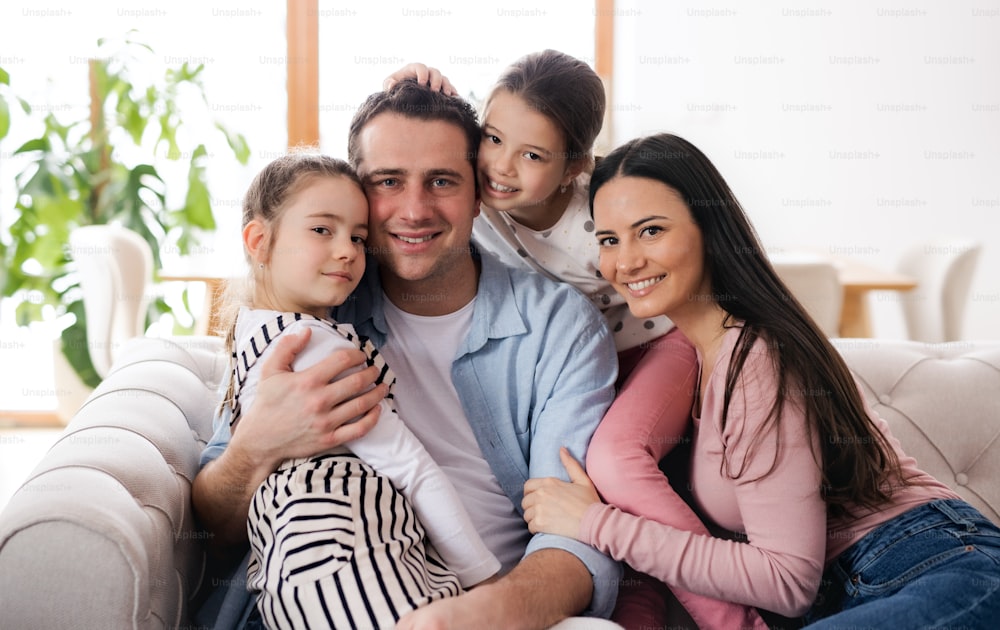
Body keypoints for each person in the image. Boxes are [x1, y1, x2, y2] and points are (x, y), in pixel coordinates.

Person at [521, 132, 1000, 628]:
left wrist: (593, 523)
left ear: (708, 229)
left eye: (651, 231)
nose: (625, 262)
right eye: (608, 240)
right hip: (865, 588)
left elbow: (788, 581)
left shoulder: (757, 359)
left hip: (937, 564)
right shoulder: (696, 363)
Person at [192, 79, 623, 630]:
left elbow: (574, 534)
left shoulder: (559, 326)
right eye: (387, 182)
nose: (414, 210)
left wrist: (481, 612)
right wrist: (254, 449)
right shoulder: (315, 302)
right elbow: (212, 528)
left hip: (494, 603)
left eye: (441, 181)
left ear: (479, 193)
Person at [387, 53, 765, 630]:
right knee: (605, 500)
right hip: (586, 358)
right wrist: (416, 84)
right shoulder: (477, 190)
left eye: (532, 156)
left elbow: (690, 260)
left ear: (573, 169)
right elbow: (405, 164)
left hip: (659, 345)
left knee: (617, 461)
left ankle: (737, 622)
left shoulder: (599, 217)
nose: (502, 167)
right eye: (492, 138)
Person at [208, 152, 500, 628]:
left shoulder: (254, 333)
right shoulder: (310, 347)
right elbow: (409, 466)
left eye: (359, 238)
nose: (347, 250)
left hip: (308, 570)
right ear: (259, 241)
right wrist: (486, 583)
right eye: (323, 230)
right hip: (348, 563)